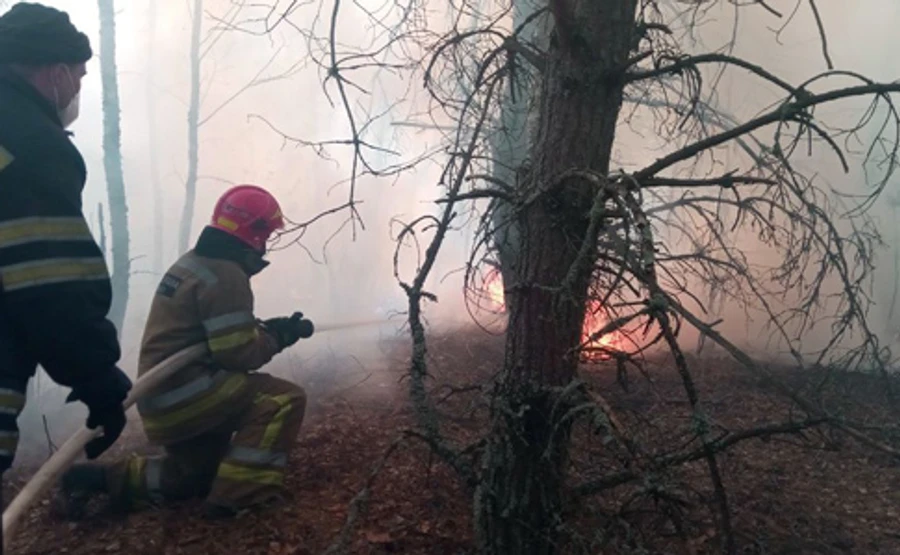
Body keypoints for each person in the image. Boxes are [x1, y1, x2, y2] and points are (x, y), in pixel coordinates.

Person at [62, 185, 314, 520]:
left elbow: (214, 333)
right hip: (192, 393)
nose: (266, 243)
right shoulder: (226, 274)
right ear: (252, 232)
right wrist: (278, 338)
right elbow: (237, 354)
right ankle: (238, 498)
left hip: (164, 399)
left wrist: (267, 329)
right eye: (266, 233)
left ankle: (101, 480)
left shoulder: (194, 263)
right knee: (284, 399)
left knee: (195, 475)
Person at [0, 0, 133, 519]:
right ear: (54, 73)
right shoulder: (31, 144)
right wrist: (97, 374)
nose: (77, 88)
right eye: (76, 76)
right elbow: (48, 279)